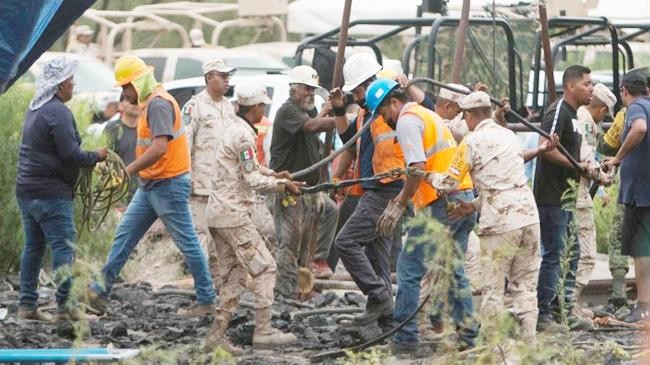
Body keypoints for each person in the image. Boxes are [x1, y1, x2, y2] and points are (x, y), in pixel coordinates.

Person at [87, 55, 216, 315]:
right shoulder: (151, 102)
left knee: (188, 243)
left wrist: (126, 171)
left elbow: (159, 148)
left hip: (167, 184)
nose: (124, 94)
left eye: (126, 87)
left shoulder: (158, 104)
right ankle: (98, 293)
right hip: (151, 183)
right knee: (124, 237)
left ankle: (206, 300)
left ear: (138, 81)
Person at [427, 91, 559, 342]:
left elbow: (448, 182)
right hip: (529, 217)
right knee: (525, 287)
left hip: (499, 223)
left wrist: (426, 175)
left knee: (493, 289)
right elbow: (506, 180)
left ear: (468, 115)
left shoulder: (471, 141)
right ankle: (529, 344)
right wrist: (473, 205)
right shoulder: (509, 136)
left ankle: (495, 349)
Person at [370, 79, 477, 351]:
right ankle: (468, 336)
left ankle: (405, 339)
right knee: (453, 271)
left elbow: (417, 167)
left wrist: (399, 202)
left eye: (383, 113)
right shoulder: (426, 113)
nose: (385, 120)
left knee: (408, 268)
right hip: (462, 196)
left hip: (440, 203)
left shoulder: (406, 120)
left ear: (393, 103)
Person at [203, 83, 302, 354]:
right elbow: (251, 179)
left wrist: (276, 175)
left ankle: (216, 336)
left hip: (217, 215)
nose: (264, 111)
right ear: (256, 108)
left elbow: (250, 168)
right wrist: (283, 186)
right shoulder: (244, 137)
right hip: (233, 215)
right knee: (265, 268)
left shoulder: (232, 128)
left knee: (234, 275)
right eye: (263, 107)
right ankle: (264, 331)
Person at [16, 57, 107, 321]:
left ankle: (27, 306)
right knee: (63, 248)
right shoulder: (58, 112)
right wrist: (97, 156)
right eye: (70, 82)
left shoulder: (36, 108)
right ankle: (66, 309)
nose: (73, 87)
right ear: (59, 85)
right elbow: (70, 154)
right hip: (50, 194)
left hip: (27, 190)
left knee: (33, 248)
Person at [328, 54, 405, 331]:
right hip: (376, 186)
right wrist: (339, 111)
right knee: (377, 257)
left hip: (386, 188)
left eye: (358, 91)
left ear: (371, 82)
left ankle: (379, 296)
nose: (357, 97)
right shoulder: (366, 111)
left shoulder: (392, 101)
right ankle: (387, 323)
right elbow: (350, 144)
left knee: (345, 242)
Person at [269, 65, 339, 299]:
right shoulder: (287, 111)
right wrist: (340, 118)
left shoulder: (307, 111)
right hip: (289, 187)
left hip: (308, 188)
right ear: (294, 89)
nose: (311, 93)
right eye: (307, 89)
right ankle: (286, 292)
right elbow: (312, 127)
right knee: (290, 241)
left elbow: (313, 130)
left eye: (313, 89)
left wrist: (327, 112)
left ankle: (310, 272)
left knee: (327, 213)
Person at [534, 65, 594, 332]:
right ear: (571, 86)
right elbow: (545, 149)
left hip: (567, 196)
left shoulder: (576, 115)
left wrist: (585, 167)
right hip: (551, 196)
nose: (591, 89)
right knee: (554, 254)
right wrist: (576, 166)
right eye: (587, 84)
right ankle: (544, 315)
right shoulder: (558, 110)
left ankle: (563, 311)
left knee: (572, 252)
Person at [602, 70, 650, 323]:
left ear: (624, 91)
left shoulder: (636, 109)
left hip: (641, 195)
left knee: (642, 252)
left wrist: (618, 158)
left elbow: (639, 129)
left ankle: (644, 307)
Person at [183, 58, 237, 277]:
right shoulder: (194, 106)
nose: (227, 80)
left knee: (220, 239)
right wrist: (185, 177)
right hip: (201, 186)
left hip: (223, 187)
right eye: (222, 76)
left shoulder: (228, 108)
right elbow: (184, 143)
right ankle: (200, 285)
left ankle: (216, 284)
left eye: (228, 76)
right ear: (208, 78)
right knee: (200, 237)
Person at [573, 83, 616, 319]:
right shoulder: (587, 122)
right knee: (587, 253)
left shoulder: (575, 115)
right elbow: (586, 163)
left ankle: (565, 304)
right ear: (600, 110)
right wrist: (603, 176)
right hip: (579, 197)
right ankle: (571, 305)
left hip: (569, 194)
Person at [597, 107, 631, 316]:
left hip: (635, 190)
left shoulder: (628, 113)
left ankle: (619, 297)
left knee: (619, 239)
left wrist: (597, 123)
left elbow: (606, 145)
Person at [104, 100, 140, 202]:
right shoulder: (112, 128)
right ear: (121, 105)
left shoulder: (146, 128)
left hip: (143, 188)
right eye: (132, 101)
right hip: (120, 189)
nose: (136, 104)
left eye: (139, 101)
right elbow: (106, 161)